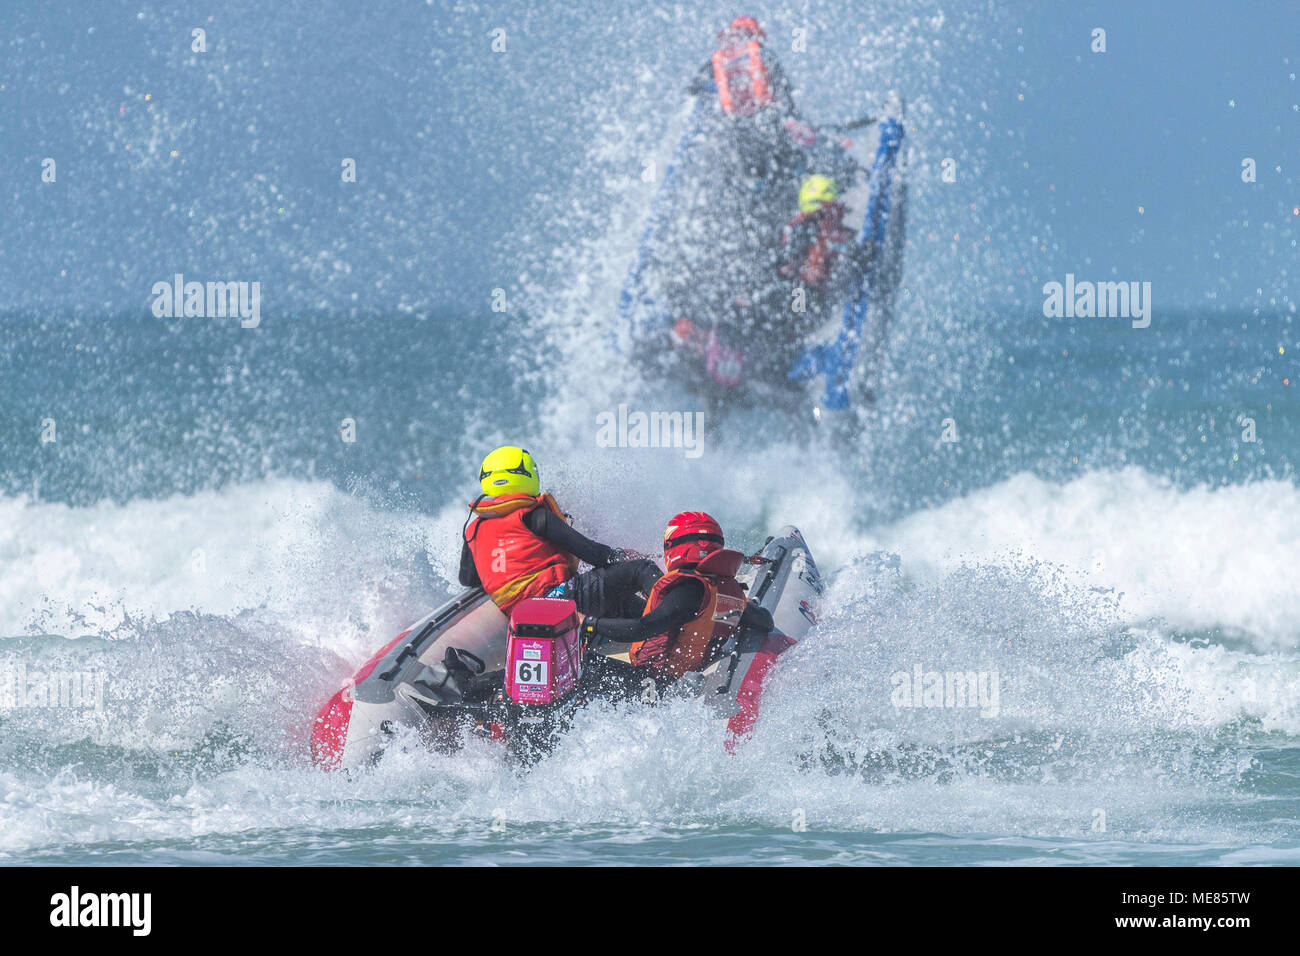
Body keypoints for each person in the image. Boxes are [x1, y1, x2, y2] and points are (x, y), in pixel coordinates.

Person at [459, 446, 660, 618]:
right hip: (561, 599)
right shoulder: (535, 516)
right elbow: (594, 554)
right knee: (641, 569)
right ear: (528, 475)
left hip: (521, 614)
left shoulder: (473, 529)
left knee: (624, 602)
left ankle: (658, 642)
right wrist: (624, 556)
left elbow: (468, 580)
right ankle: (682, 621)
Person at [579, 511, 775, 680]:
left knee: (585, 662)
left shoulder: (689, 590)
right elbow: (765, 621)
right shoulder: (726, 590)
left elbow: (640, 629)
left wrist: (588, 623)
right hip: (684, 676)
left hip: (656, 682)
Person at [778, 173, 856, 290]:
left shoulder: (822, 229)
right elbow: (790, 267)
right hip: (805, 295)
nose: (837, 214)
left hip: (815, 292)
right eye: (832, 208)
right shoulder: (805, 229)